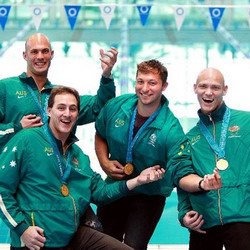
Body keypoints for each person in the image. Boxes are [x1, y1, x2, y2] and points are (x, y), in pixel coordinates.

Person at [0, 86, 167, 250]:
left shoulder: (78, 156)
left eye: (73, 109)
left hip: (72, 237)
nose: (67, 114)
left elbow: (101, 193)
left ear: (77, 114)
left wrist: (137, 180)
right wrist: (22, 229)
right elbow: (2, 188)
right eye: (61, 108)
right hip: (37, 241)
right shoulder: (27, 140)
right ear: (49, 111)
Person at [94, 59, 222, 250]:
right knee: (103, 244)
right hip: (116, 187)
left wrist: (203, 183)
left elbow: (181, 172)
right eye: (140, 81)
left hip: (149, 196)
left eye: (152, 83)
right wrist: (104, 161)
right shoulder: (116, 106)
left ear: (164, 86)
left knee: (133, 247)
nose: (144, 88)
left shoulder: (171, 130)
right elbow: (101, 133)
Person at [0, 32, 118, 152]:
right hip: (17, 167)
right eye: (34, 52)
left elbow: (101, 106)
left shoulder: (63, 97)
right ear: (25, 55)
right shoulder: (6, 88)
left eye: (45, 51)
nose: (40, 56)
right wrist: (17, 128)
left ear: (52, 54)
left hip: (56, 168)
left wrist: (106, 75)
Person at [177, 67, 250, 250]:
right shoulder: (189, 137)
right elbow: (182, 178)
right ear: (195, 88)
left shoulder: (246, 122)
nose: (208, 92)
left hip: (243, 218)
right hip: (204, 222)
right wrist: (184, 214)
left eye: (215, 87)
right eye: (203, 86)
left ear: (225, 90)